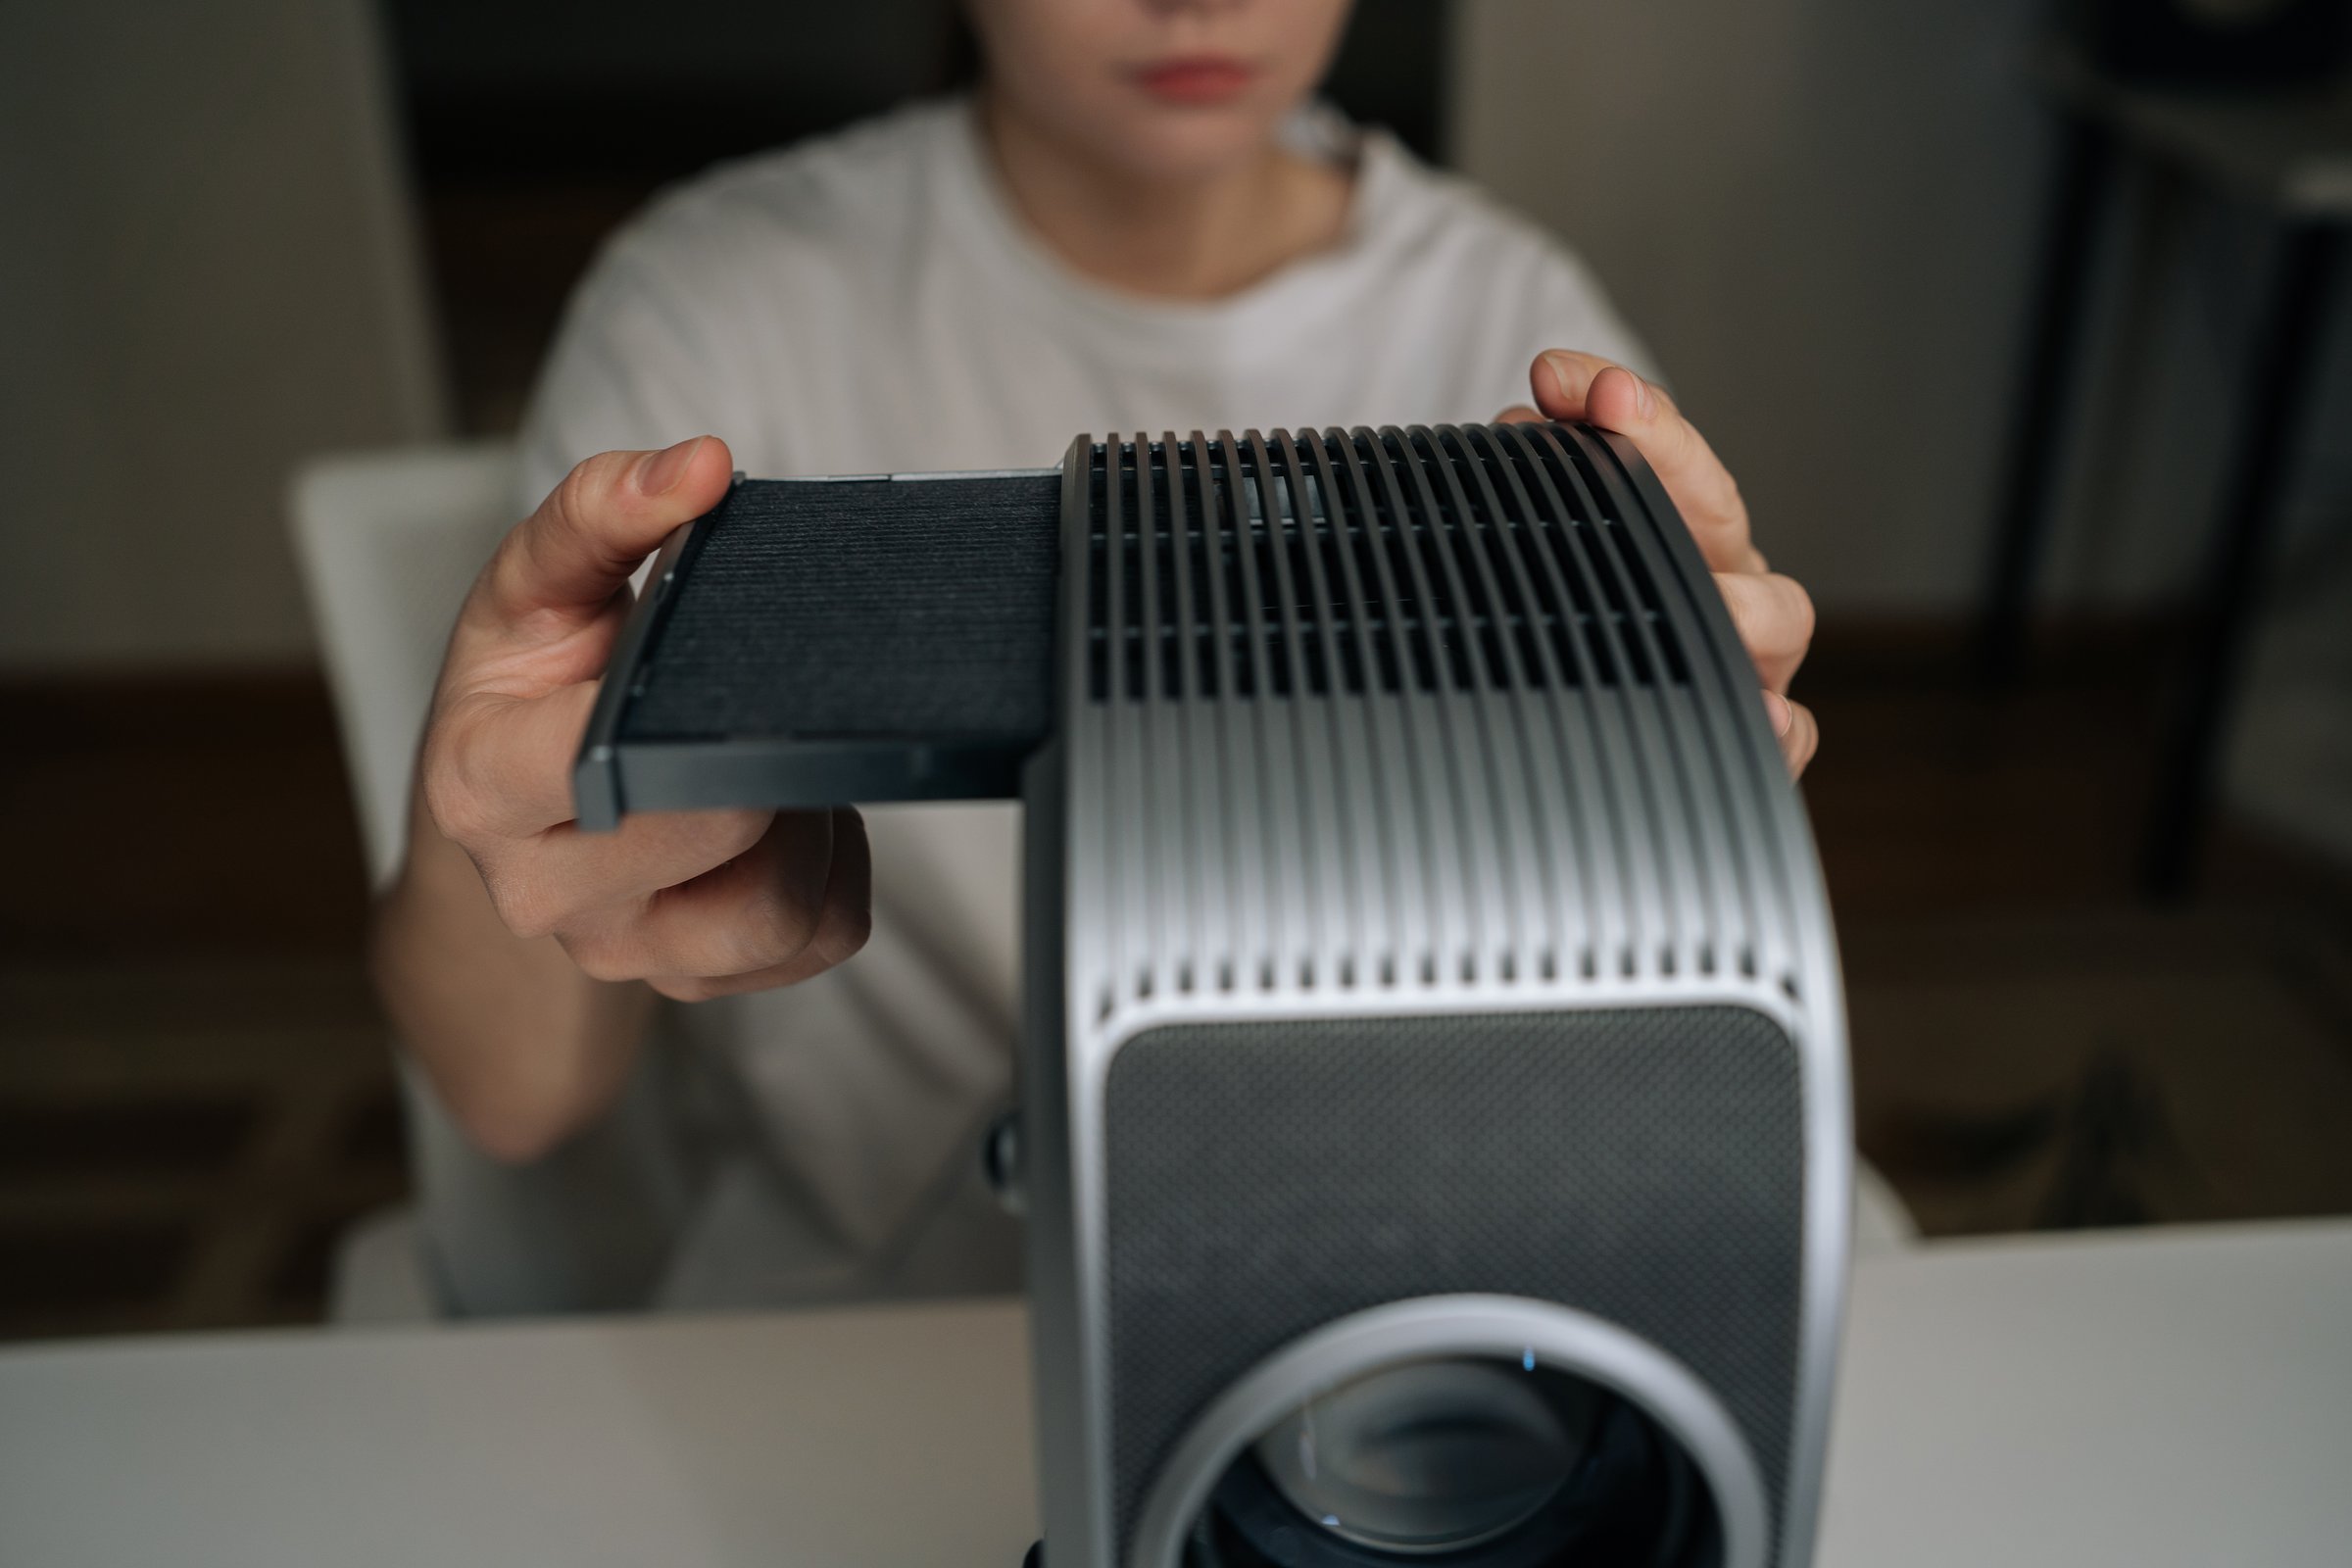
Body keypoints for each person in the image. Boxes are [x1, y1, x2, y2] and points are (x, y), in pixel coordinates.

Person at [371, 0, 1823, 1309]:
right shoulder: (719, 300)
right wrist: (497, 804)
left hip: (1406, 1269)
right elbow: (513, 1096)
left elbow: (1639, 1075)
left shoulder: (1509, 321)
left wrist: (1698, 805)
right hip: (875, 1306)